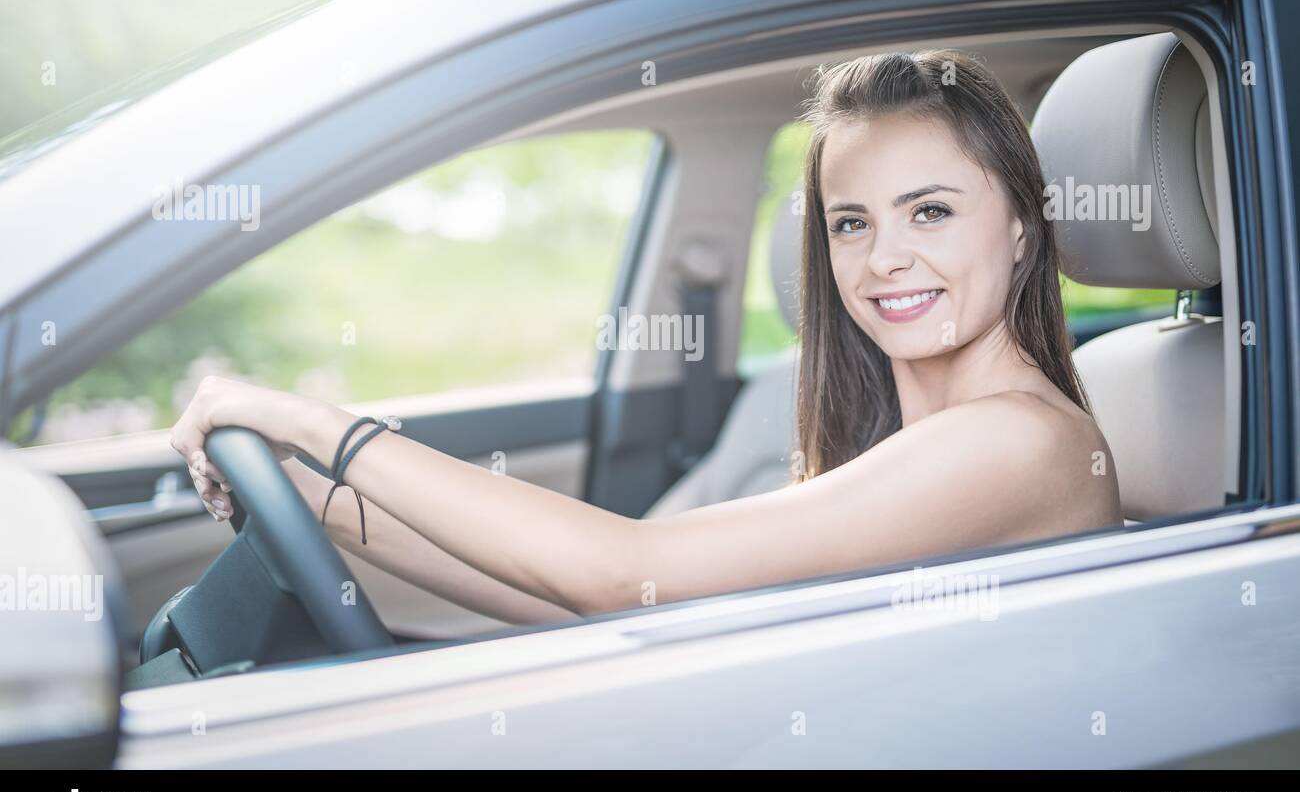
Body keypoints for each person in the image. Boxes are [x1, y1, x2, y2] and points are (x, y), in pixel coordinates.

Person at [171, 49, 1122, 624]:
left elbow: (628, 576)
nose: (883, 261)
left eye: (932, 212)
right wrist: (306, 502)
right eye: (851, 223)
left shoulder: (1023, 443)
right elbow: (565, 592)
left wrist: (317, 427)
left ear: (1023, 230)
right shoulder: (881, 448)